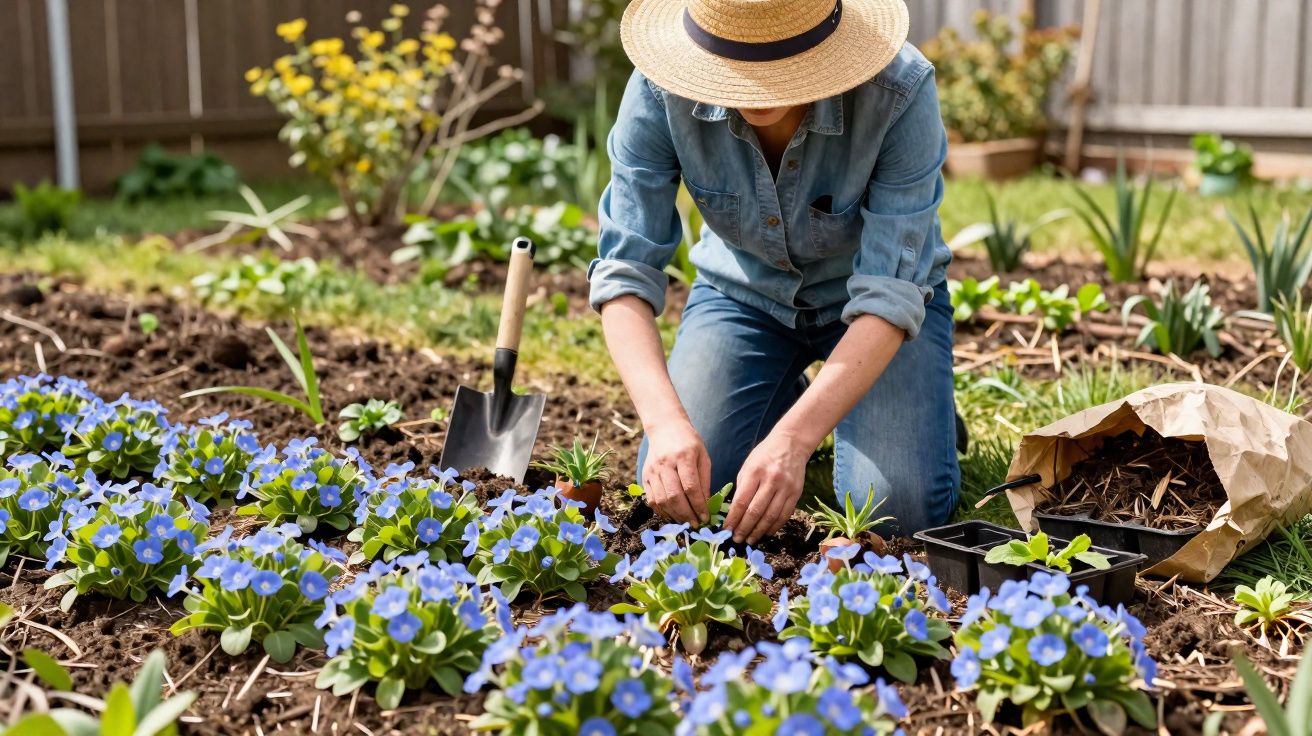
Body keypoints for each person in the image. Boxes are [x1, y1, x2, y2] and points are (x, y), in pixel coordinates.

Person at [588, 0, 958, 545]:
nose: (758, 92)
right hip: (742, 300)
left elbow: (891, 289)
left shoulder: (898, 89)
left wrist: (795, 440)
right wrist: (665, 425)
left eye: (779, 69)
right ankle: (787, 390)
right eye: (739, 70)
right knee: (682, 489)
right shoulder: (659, 89)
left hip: (875, 314)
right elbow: (624, 270)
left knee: (895, 510)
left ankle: (902, 398)